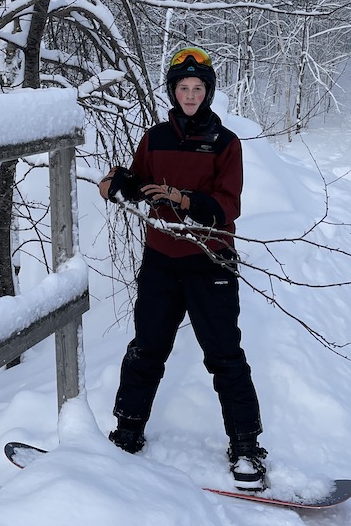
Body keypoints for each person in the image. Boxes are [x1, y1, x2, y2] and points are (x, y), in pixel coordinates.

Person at [98, 45, 268, 492]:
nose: (190, 94)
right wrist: (118, 182)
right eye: (183, 88)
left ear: (207, 92)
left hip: (209, 260)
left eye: (198, 88)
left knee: (224, 356)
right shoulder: (154, 138)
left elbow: (228, 206)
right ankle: (127, 431)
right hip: (160, 260)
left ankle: (246, 446)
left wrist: (184, 199)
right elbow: (139, 182)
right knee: (147, 349)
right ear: (173, 92)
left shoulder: (226, 143)